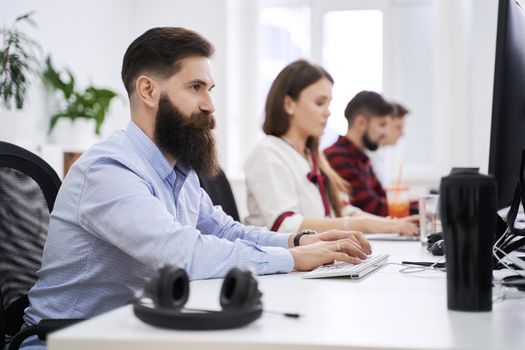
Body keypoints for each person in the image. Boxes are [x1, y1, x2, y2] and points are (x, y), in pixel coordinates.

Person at [20, 28, 371, 350]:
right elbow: (181, 253)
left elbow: (223, 228)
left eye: (209, 89)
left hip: (131, 332)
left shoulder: (179, 171)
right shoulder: (108, 170)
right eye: (195, 88)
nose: (210, 105)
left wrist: (298, 241)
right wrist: (292, 259)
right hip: (67, 339)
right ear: (148, 90)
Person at [244, 60, 418, 235]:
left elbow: (343, 211)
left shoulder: (312, 157)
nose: (327, 112)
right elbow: (285, 226)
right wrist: (366, 225)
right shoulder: (268, 153)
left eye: (329, 104)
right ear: (289, 104)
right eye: (320, 103)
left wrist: (390, 224)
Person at [325, 91, 395, 217]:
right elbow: (371, 208)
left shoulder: (363, 159)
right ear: (361, 123)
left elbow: (383, 198)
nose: (385, 133)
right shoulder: (338, 157)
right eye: (382, 124)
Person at [367, 102, 409, 186]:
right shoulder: (367, 158)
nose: (402, 133)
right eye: (398, 127)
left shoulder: (383, 156)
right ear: (385, 124)